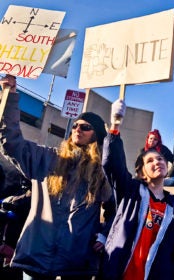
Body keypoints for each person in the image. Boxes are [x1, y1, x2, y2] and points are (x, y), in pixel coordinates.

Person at [0, 74, 116, 279]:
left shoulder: (100, 175)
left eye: (85, 127)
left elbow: (112, 209)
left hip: (75, 265)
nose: (77, 129)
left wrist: (104, 233)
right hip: (36, 260)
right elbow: (11, 143)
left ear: (95, 135)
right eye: (75, 126)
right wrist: (10, 96)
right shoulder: (47, 158)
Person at [101, 99, 174, 280]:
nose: (157, 162)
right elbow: (111, 164)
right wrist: (115, 125)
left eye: (159, 159)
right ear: (142, 172)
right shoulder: (130, 192)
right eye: (150, 161)